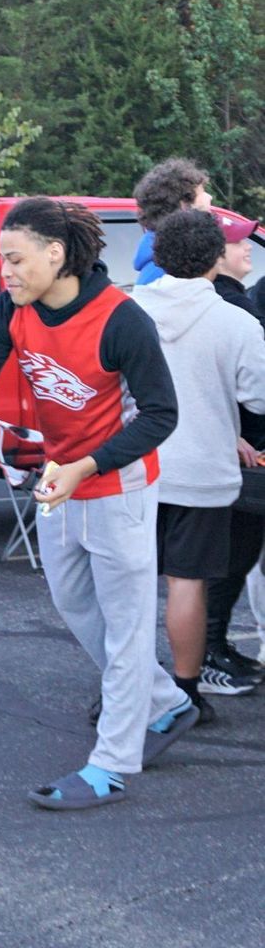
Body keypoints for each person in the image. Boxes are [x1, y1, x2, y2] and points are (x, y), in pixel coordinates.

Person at [0, 196, 195, 812]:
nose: (4, 272)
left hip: (118, 486)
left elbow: (163, 415)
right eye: (2, 261)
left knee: (125, 626)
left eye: (13, 259)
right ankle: (166, 702)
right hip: (58, 483)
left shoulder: (121, 319)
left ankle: (112, 764)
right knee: (75, 605)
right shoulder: (9, 312)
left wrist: (86, 467)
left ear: (55, 253)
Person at [133, 210, 265, 723]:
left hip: (132, 466)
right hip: (201, 471)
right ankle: (186, 695)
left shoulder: (127, 307)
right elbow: (258, 395)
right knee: (187, 583)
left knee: (131, 589)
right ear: (216, 259)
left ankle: (130, 685)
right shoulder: (236, 322)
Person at [200, 214, 265, 694]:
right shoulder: (227, 305)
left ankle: (217, 646)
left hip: (241, 449)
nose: (248, 251)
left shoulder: (239, 298)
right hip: (239, 455)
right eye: (240, 244)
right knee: (231, 556)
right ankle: (208, 654)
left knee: (237, 556)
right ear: (214, 253)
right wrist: (232, 435)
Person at [132, 158, 212, 285]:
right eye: (201, 193)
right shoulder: (166, 273)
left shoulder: (162, 260)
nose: (209, 197)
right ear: (184, 206)